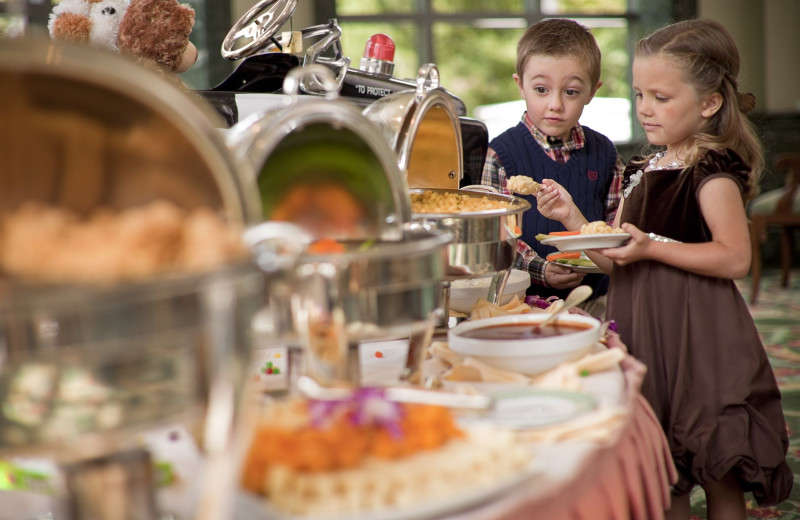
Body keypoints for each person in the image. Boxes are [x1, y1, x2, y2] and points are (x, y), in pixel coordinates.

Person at [536, 18, 792, 519]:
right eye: (638, 95)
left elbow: (734, 257)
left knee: (717, 470)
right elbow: (616, 255)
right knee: (663, 477)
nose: (645, 109)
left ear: (709, 103)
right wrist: (571, 216)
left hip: (698, 337)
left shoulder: (710, 171)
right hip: (645, 332)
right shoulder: (644, 167)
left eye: (661, 97)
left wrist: (653, 248)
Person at [480, 18, 625, 317]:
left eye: (570, 92)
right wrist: (541, 269)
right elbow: (495, 237)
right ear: (521, 86)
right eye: (542, 89)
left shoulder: (606, 153)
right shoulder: (501, 153)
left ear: (592, 92)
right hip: (522, 305)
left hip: (598, 301)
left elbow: (616, 229)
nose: (555, 104)